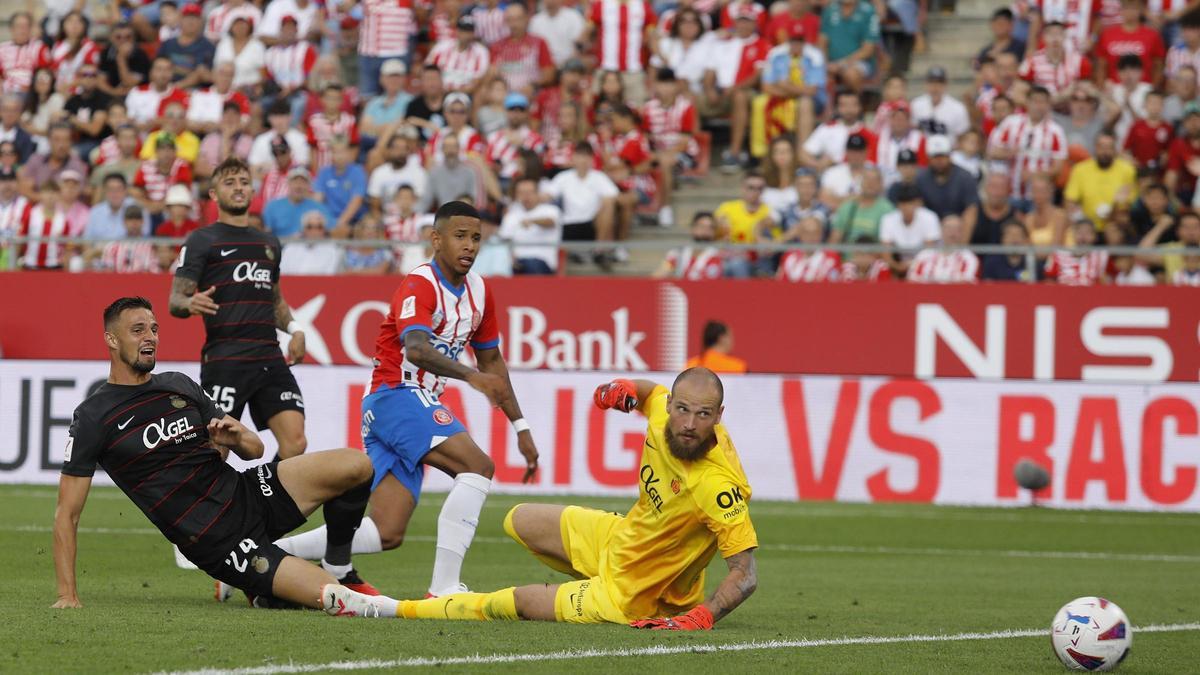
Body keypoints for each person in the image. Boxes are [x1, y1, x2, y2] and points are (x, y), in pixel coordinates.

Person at [321, 368, 758, 627]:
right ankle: (588, 585)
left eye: (703, 415)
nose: (688, 422)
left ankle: (391, 607)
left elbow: (746, 573)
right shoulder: (666, 410)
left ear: (718, 418)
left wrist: (702, 616)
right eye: (683, 408)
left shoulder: (718, 487)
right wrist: (623, 389)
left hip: (635, 590)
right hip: (621, 538)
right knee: (520, 519)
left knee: (515, 603)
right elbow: (652, 395)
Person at [275, 200, 541, 600]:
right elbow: (415, 349)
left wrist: (520, 426)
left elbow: (492, 361)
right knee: (477, 467)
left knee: (387, 531)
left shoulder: (482, 292)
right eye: (459, 236)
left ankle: (268, 556)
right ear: (435, 239)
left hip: (407, 404)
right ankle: (444, 589)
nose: (469, 246)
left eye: (476, 238)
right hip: (394, 394)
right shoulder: (420, 283)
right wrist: (471, 377)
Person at [53, 296, 389, 611]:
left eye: (154, 328)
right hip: (216, 538)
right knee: (332, 596)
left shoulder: (178, 384)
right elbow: (67, 514)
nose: (150, 337)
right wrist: (67, 594)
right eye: (138, 330)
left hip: (248, 492)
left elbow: (255, 449)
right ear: (112, 340)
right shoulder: (94, 416)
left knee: (356, 464)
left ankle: (336, 565)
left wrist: (236, 438)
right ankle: (266, 587)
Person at [168, 157, 310, 468]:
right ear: (215, 194)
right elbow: (175, 300)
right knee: (218, 447)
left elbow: (274, 301)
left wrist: (296, 329)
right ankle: (207, 512)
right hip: (225, 359)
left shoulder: (268, 243)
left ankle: (267, 507)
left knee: (295, 442)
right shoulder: (201, 240)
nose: (239, 187)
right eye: (230, 182)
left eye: (244, 182)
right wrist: (190, 303)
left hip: (269, 357)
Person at [987, 85, 1067, 198]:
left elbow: (1058, 168)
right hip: (1010, 193)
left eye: (1043, 102)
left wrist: (1035, 175)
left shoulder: (1056, 131)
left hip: (1039, 197)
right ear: (1027, 102)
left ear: (1049, 105)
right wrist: (1010, 153)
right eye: (1035, 101)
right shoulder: (1011, 123)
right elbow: (993, 152)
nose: (1039, 106)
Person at [1064, 130, 1138, 231]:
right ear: (1095, 148)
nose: (1105, 152)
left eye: (1109, 148)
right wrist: (1078, 218)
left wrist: (1114, 210)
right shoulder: (1080, 169)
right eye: (1101, 147)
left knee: (1113, 230)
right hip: (1087, 224)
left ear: (1115, 150)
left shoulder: (1127, 170)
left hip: (1115, 223)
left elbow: (1130, 203)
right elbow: (1070, 200)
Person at [500, 176, 564, 275]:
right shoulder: (511, 215)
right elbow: (505, 241)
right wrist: (512, 260)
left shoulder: (551, 210)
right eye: (521, 193)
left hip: (542, 262)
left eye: (529, 192)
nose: (526, 197)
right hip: (516, 263)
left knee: (531, 264)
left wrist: (533, 221)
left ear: (537, 193)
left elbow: (550, 222)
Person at [916, 135, 979, 228]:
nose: (939, 161)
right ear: (929, 158)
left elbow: (971, 210)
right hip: (929, 229)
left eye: (943, 156)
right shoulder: (921, 178)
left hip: (958, 229)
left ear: (950, 156)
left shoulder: (965, 177)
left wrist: (963, 242)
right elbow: (918, 209)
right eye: (935, 157)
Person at [879, 182, 941, 274]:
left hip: (924, 264)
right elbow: (885, 251)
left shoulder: (930, 217)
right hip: (897, 265)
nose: (907, 207)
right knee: (882, 266)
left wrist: (912, 265)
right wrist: (897, 266)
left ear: (918, 203)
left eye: (910, 203)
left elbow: (929, 250)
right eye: (903, 204)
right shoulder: (888, 219)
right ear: (898, 205)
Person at [820, 0, 881, 93]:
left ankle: (857, 104)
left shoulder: (868, 11)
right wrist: (824, 63)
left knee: (851, 74)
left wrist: (840, 64)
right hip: (831, 62)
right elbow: (822, 42)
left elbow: (868, 50)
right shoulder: (830, 9)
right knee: (815, 75)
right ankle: (828, 106)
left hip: (859, 62)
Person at [427, 15, 492, 96]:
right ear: (457, 31)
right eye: (463, 31)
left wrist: (459, 92)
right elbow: (429, 70)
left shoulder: (481, 52)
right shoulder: (441, 47)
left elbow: (478, 79)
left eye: (469, 32)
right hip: (440, 92)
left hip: (467, 94)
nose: (466, 35)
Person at [315, 139, 367, 235]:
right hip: (328, 220)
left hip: (353, 220)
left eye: (342, 152)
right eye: (335, 152)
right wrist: (328, 222)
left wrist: (339, 223)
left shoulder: (358, 171)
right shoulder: (324, 172)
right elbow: (317, 200)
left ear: (348, 153)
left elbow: (356, 201)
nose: (339, 156)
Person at [905, 215, 979, 283]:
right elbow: (912, 279)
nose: (952, 232)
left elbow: (966, 283)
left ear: (962, 233)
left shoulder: (969, 257)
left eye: (957, 229)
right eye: (948, 228)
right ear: (940, 230)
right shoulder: (924, 254)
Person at [829, 165, 892, 242]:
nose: (870, 184)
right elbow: (834, 240)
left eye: (874, 180)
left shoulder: (888, 210)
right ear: (861, 182)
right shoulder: (848, 206)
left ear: (881, 184)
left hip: (873, 253)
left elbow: (887, 245)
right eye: (867, 179)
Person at [654, 211, 725, 280]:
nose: (706, 231)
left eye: (710, 228)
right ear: (693, 228)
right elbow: (657, 276)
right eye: (702, 226)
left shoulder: (717, 256)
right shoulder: (678, 253)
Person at [263, 168, 328, 238]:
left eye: (303, 182)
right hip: (280, 246)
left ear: (309, 186)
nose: (299, 186)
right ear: (288, 184)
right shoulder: (272, 206)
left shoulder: (319, 207)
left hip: (310, 246)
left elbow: (330, 230)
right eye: (295, 182)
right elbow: (266, 232)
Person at [1045, 216, 1111, 285]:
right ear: (1073, 234)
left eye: (1088, 232)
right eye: (1079, 232)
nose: (1083, 236)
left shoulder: (1102, 256)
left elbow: (1108, 281)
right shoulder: (1058, 255)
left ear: (1094, 236)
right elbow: (1049, 282)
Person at [911, 67, 970, 142]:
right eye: (932, 82)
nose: (935, 87)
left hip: (947, 151)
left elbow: (962, 136)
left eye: (939, 83)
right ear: (926, 84)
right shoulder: (916, 105)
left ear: (946, 85)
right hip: (921, 151)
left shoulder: (958, 108)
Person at [715, 172, 774, 244]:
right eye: (751, 187)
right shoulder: (727, 208)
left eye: (760, 188)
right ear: (742, 188)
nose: (756, 191)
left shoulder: (770, 211)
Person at [281, 210, 342, 275]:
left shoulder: (332, 250)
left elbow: (330, 276)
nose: (314, 231)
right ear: (303, 229)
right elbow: (282, 273)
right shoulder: (291, 248)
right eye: (310, 227)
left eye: (319, 227)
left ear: (324, 230)